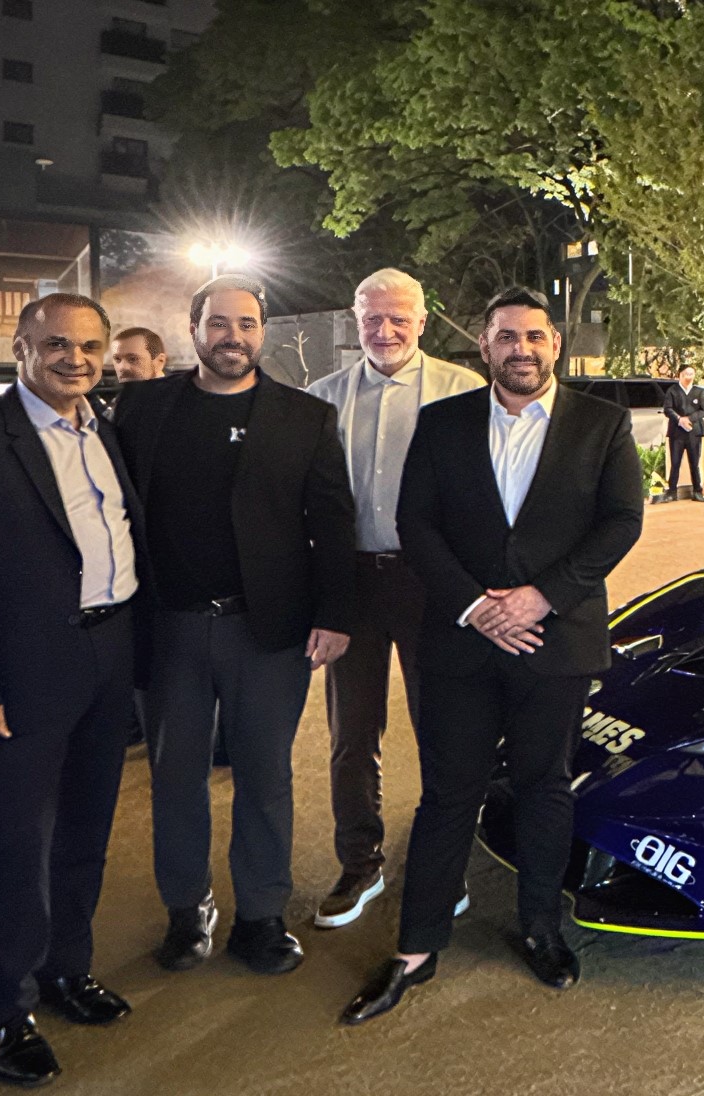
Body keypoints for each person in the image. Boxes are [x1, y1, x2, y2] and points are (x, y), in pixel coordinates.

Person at [341, 287, 643, 1025]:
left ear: (555, 345)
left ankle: (541, 928)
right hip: (461, 639)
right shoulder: (442, 422)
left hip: (554, 638)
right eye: (506, 336)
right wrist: (477, 607)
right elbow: (415, 524)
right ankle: (416, 948)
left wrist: (542, 597)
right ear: (484, 346)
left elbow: (621, 522)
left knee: (544, 787)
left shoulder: (600, 424)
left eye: (535, 336)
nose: (522, 349)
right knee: (448, 793)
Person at [0, 293, 139, 1085]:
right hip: (20, 672)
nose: (75, 359)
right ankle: (3, 1013)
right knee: (18, 844)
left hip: (109, 652)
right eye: (56, 345)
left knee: (86, 829)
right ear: (21, 349)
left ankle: (66, 970)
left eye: (89, 346)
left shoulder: (105, 430)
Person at [114, 274, 357, 977]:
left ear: (262, 332)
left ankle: (260, 916)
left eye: (246, 324)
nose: (233, 336)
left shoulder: (305, 417)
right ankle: (186, 910)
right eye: (218, 323)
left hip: (268, 632)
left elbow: (332, 523)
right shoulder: (142, 407)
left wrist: (336, 614)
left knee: (264, 776)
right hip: (169, 629)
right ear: (193, 329)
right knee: (175, 778)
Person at [303, 268, 485, 930]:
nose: (385, 331)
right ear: (356, 321)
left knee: (444, 727)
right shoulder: (322, 399)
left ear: (422, 322)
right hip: (350, 582)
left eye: (398, 318)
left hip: (433, 582)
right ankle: (360, 864)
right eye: (372, 319)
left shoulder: (464, 393)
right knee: (352, 734)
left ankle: (444, 864)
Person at [660, 365, 704, 502]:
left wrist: (689, 419)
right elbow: (667, 409)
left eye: (691, 374)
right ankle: (672, 492)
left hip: (694, 432)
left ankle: (697, 491)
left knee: (695, 463)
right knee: (675, 463)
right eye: (686, 374)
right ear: (680, 375)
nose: (689, 377)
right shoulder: (672, 391)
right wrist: (679, 419)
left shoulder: (699, 392)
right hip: (677, 433)